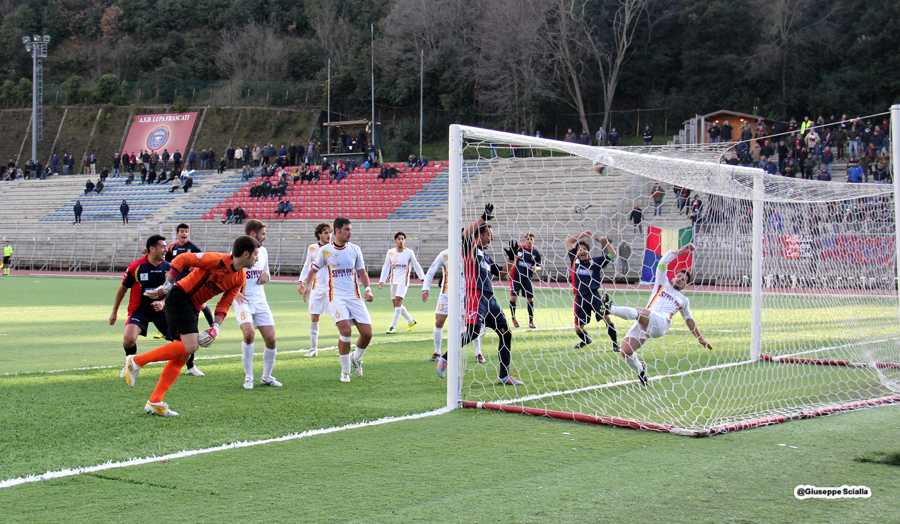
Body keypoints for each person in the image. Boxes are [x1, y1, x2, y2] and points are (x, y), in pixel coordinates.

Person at [123, 235, 259, 416]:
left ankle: (155, 401)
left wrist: (215, 327)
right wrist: (167, 284)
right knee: (191, 346)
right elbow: (182, 259)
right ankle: (136, 361)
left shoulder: (239, 277)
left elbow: (224, 303)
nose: (257, 258)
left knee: (183, 355)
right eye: (256, 254)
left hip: (192, 306)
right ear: (245, 254)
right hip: (180, 296)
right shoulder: (217, 260)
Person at [436, 204, 523, 385]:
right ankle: (444, 359)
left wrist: (512, 259)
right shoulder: (469, 247)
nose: (491, 237)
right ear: (480, 235)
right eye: (488, 234)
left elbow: (500, 272)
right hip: (475, 295)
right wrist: (483, 218)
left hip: (489, 297)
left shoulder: (485, 254)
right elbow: (464, 235)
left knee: (505, 333)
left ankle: (504, 375)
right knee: (473, 331)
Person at [605, 243, 712, 385]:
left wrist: (700, 338)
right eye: (679, 277)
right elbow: (663, 262)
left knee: (640, 311)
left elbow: (689, 320)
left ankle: (609, 308)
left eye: (684, 280)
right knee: (626, 352)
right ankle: (640, 369)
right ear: (673, 278)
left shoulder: (683, 300)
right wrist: (681, 251)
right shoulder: (662, 283)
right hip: (646, 322)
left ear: (685, 285)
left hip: (660, 324)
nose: (680, 279)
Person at [301, 217, 375, 382]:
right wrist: (307, 286)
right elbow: (313, 270)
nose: (350, 233)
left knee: (367, 333)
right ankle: (345, 372)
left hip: (354, 297)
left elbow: (362, 272)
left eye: (350, 229)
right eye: (347, 229)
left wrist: (368, 289)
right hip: (335, 297)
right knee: (346, 331)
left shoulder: (355, 249)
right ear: (337, 231)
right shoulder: (325, 251)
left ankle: (355, 358)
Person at [110, 235, 170, 377]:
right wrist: (114, 312)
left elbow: (172, 289)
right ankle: (131, 364)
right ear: (152, 249)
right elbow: (123, 289)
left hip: (161, 310)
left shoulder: (168, 268)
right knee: (129, 339)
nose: (166, 250)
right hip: (139, 310)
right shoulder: (136, 267)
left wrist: (162, 302)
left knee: (181, 339)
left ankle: (191, 367)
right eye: (162, 247)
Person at [233, 220, 282, 389]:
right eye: (263, 234)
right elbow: (226, 275)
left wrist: (266, 276)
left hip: (260, 300)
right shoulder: (237, 251)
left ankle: (266, 376)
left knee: (271, 339)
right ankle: (249, 376)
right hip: (242, 300)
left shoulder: (264, 252)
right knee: (249, 334)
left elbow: (266, 271)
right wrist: (235, 292)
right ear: (253, 235)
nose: (265, 237)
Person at [164, 223, 213, 376]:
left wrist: (196, 266)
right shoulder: (172, 248)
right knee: (180, 331)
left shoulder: (193, 248)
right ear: (177, 233)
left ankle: (190, 366)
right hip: (176, 291)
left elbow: (205, 261)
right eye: (182, 231)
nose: (184, 233)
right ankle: (182, 363)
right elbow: (165, 263)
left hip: (191, 290)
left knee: (193, 325)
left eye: (186, 231)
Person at [422, 248, 485, 363]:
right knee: (439, 321)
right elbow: (431, 271)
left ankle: (478, 353)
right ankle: (437, 352)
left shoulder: (473, 253)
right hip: (446, 294)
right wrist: (425, 288)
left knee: (471, 324)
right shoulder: (445, 254)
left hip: (465, 294)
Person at [565, 231, 619, 352]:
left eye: (584, 249)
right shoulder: (574, 261)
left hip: (594, 295)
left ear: (588, 251)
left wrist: (606, 243)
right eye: (579, 249)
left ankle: (615, 344)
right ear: (577, 252)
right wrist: (583, 234)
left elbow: (612, 254)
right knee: (578, 329)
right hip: (580, 298)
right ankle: (586, 340)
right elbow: (569, 241)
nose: (582, 251)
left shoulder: (595, 262)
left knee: (607, 318)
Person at [298, 223, 333, 357]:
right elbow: (307, 266)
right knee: (314, 316)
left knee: (338, 317)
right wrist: (301, 281)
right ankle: (313, 348)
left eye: (330, 232)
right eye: (325, 232)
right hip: (316, 287)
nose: (328, 235)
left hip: (331, 288)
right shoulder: (312, 248)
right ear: (319, 234)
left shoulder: (333, 248)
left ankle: (345, 345)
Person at [379, 231, 426, 334]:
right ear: (395, 240)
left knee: (398, 302)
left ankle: (392, 327)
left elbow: (416, 265)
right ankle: (411, 320)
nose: (401, 241)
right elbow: (386, 266)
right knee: (396, 305)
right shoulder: (390, 252)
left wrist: (423, 278)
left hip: (403, 281)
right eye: (399, 239)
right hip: (393, 281)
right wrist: (382, 280)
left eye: (402, 239)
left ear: (404, 241)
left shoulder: (409, 253)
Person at [503, 233, 542, 329]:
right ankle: (513, 319)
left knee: (530, 300)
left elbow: (540, 267)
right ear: (525, 240)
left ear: (534, 241)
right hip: (516, 277)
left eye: (531, 239)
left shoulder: (536, 253)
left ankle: (531, 322)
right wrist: (509, 272)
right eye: (528, 239)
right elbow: (513, 259)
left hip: (527, 278)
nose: (529, 240)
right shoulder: (520, 248)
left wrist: (536, 268)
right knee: (513, 298)